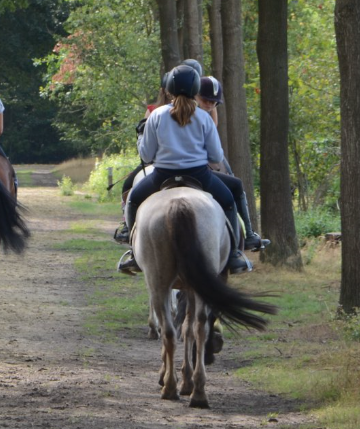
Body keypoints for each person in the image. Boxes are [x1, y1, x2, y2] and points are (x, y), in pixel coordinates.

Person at [113, 64, 249, 276]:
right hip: (199, 176)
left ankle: (133, 252)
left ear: (169, 90)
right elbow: (215, 156)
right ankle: (234, 254)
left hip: (162, 176)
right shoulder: (204, 117)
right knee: (229, 203)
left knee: (133, 200)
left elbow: (147, 156)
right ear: (195, 89)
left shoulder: (157, 115)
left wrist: (142, 139)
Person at [196, 75, 269, 253]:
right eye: (205, 100)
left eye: (213, 102)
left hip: (166, 169)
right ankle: (247, 237)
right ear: (195, 95)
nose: (209, 105)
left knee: (135, 194)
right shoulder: (203, 118)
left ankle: (130, 234)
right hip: (197, 167)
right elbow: (214, 153)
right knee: (235, 185)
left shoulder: (163, 112)